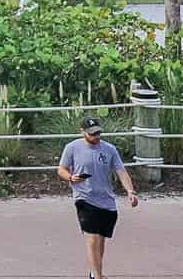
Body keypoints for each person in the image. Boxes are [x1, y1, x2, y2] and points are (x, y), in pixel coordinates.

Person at [57, 115, 138, 279]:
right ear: (82, 132)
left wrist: (130, 191)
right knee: (92, 239)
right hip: (84, 198)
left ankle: (95, 273)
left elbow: (121, 171)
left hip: (106, 201)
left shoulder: (109, 149)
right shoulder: (72, 147)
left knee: (100, 242)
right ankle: (98, 276)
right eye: (92, 134)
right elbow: (61, 169)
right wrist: (71, 178)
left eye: (98, 133)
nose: (96, 137)